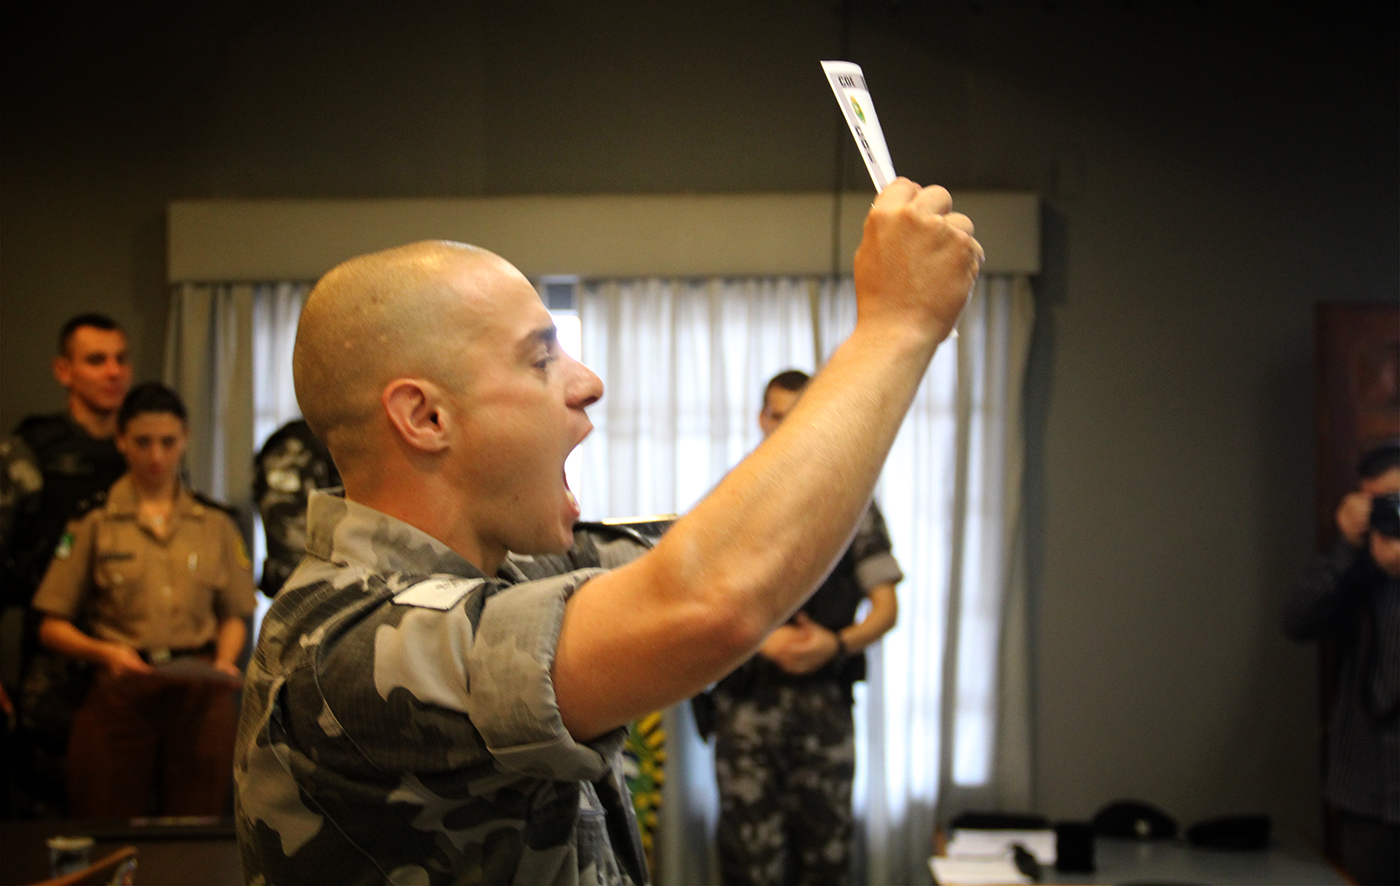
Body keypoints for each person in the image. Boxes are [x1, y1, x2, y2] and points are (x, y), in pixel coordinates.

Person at [234, 178, 982, 884]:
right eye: (542, 357)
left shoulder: (510, 567)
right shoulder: (344, 646)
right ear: (426, 417)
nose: (589, 382)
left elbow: (742, 547)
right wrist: (897, 326)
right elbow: (712, 598)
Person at [702, 368, 900, 885]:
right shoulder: (732, 500)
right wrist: (764, 640)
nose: (786, 428)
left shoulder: (852, 499)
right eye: (777, 416)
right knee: (749, 867)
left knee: (826, 864)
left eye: (799, 416)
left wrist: (835, 644)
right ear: (761, 418)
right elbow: (701, 598)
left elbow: (886, 608)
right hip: (748, 713)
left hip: (822, 714)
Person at [32, 382, 257, 819]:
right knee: (108, 821)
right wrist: (106, 653)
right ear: (121, 440)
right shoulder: (94, 520)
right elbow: (51, 625)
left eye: (168, 442)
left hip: (199, 692)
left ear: (185, 438)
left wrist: (225, 661)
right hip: (123, 690)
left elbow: (235, 612)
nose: (156, 456)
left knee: (196, 827)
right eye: (143, 442)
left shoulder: (216, 523)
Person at [0, 313, 132, 818]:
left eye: (120, 359)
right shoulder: (30, 451)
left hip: (127, 649)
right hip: (54, 655)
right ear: (64, 371)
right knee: (50, 806)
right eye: (96, 360)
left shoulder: (144, 448)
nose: (113, 371)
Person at [1283, 443, 1400, 886]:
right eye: (1381, 504)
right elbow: (1298, 623)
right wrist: (1348, 548)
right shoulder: (1359, 568)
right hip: (1367, 790)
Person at [251, 418, 341, 599]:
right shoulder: (295, 448)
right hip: (310, 588)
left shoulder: (330, 438)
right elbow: (285, 529)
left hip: (328, 584)